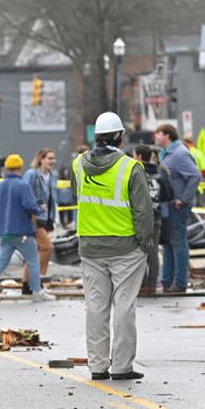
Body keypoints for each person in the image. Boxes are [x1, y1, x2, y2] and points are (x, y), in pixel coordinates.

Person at [72, 112, 155, 381]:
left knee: (95, 307)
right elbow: (143, 213)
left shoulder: (78, 165)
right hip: (126, 248)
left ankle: (97, 366)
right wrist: (146, 246)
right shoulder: (131, 168)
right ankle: (121, 367)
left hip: (91, 246)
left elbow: (79, 197)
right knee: (124, 307)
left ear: (95, 136)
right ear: (120, 136)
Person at [0, 155, 55, 303]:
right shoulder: (22, 185)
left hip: (4, 231)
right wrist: (40, 208)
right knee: (33, 260)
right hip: (22, 231)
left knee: (2, 260)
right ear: (20, 168)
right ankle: (37, 292)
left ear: (7, 168)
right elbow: (29, 205)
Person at [155, 124, 200, 294]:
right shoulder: (165, 154)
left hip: (178, 206)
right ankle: (167, 280)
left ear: (167, 135)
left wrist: (183, 199)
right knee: (167, 244)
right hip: (168, 205)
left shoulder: (180, 154)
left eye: (158, 134)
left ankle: (180, 282)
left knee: (178, 242)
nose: (156, 137)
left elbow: (195, 176)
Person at [133, 145, 172, 295]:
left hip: (139, 218)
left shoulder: (135, 172)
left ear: (139, 156)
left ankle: (142, 285)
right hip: (156, 215)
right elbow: (169, 194)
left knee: (139, 252)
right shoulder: (159, 173)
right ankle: (152, 285)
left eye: (134, 155)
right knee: (153, 252)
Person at [22, 148, 57, 293]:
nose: (52, 161)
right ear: (41, 159)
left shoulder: (52, 176)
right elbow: (24, 192)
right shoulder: (32, 174)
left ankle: (27, 284)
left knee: (34, 251)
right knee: (47, 247)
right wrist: (35, 205)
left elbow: (52, 198)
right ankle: (37, 279)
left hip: (45, 217)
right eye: (49, 158)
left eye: (53, 158)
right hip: (33, 216)